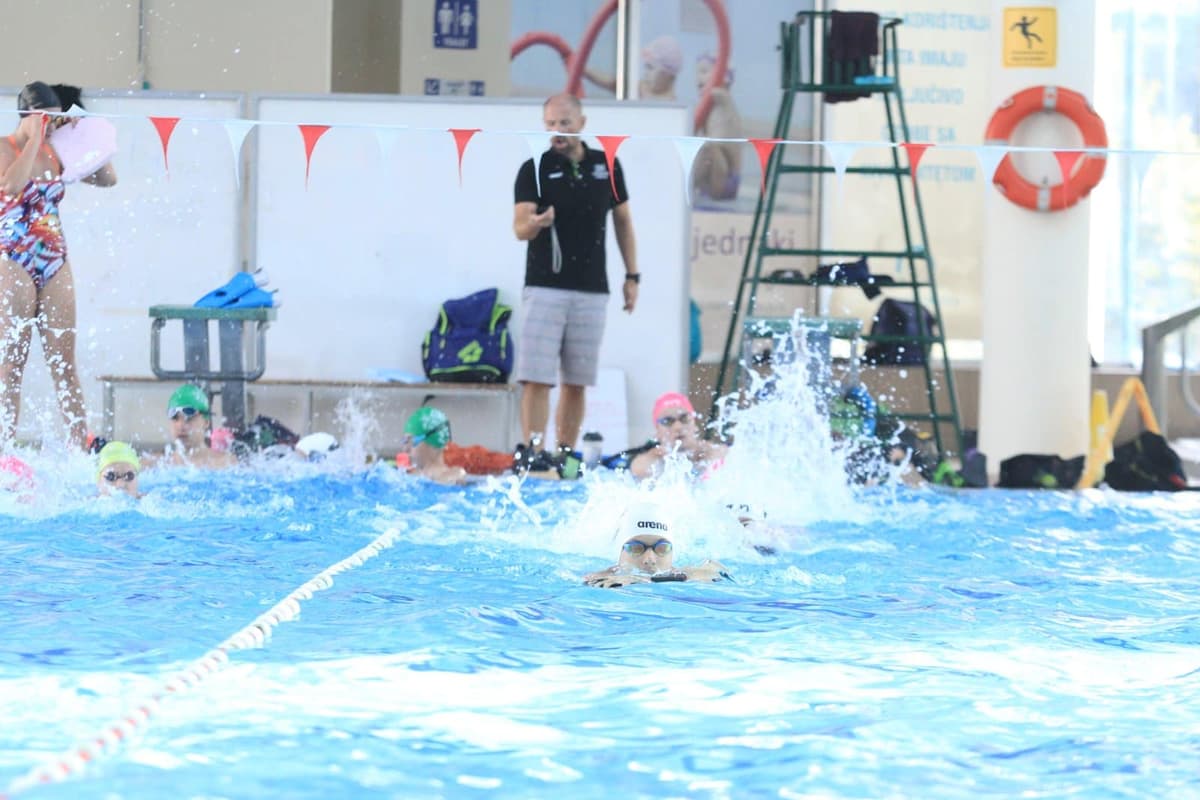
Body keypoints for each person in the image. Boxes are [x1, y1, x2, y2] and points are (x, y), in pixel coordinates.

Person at [512, 93, 639, 468]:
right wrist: (534, 223)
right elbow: (519, 226)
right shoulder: (533, 167)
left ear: (582, 123)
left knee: (577, 380)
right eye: (550, 123)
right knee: (537, 377)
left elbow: (623, 222)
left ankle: (565, 452)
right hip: (545, 286)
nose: (557, 131)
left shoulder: (607, 166)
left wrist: (632, 275)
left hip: (591, 289)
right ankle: (533, 450)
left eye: (564, 123)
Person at [0, 82, 117, 450]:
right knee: (10, 367)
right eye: (48, 120)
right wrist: (33, 138)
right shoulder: (5, 147)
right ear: (33, 116)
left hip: (54, 261)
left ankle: (77, 448)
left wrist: (85, 140)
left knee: (64, 364)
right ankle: (4, 451)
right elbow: (10, 186)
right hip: (12, 260)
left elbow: (108, 179)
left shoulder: (58, 151)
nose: (52, 127)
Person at [583, 501, 729, 588]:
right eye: (635, 548)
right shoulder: (599, 579)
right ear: (619, 552)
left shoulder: (686, 574)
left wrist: (639, 579)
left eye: (662, 548)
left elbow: (717, 570)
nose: (650, 559)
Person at [628, 392, 729, 480]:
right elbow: (637, 470)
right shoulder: (650, 460)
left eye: (684, 418)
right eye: (667, 421)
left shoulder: (715, 452)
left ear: (695, 424)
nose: (678, 427)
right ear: (657, 432)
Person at [692, 55, 743, 202]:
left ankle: (683, 188)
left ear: (723, 77)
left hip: (726, 177)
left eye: (704, 71)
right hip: (712, 176)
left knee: (709, 148)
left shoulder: (723, 98)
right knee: (701, 150)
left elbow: (716, 91)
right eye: (697, 73)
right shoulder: (706, 107)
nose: (697, 78)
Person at [160, 384, 236, 469]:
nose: (181, 425)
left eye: (188, 418)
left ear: (206, 422)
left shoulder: (226, 464)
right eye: (175, 418)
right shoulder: (156, 465)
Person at [400, 406, 466, 485]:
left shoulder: (454, 477)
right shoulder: (408, 476)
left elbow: (457, 475)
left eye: (412, 441)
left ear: (434, 444)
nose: (405, 449)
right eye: (405, 441)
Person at [638, 36, 683, 101]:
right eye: (646, 67)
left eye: (650, 67)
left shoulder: (677, 108)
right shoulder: (638, 91)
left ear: (667, 75)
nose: (646, 73)